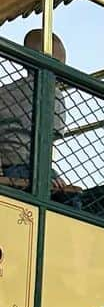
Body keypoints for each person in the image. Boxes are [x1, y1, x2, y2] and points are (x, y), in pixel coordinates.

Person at [0, 29, 80, 199]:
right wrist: (48, 173)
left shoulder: (4, 92)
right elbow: (46, 140)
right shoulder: (52, 93)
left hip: (6, 164)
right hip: (30, 167)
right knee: (71, 201)